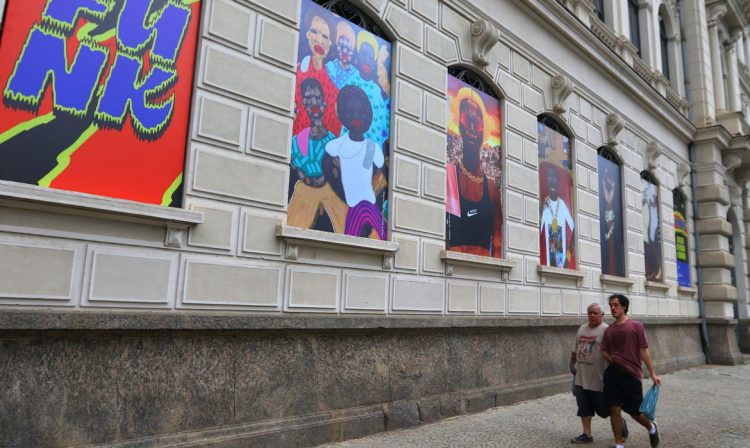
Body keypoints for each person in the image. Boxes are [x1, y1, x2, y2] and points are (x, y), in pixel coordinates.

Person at [445, 87, 503, 257]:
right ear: (459, 124)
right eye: (466, 119)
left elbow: (498, 241)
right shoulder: (450, 177)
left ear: (483, 129)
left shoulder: (492, 188)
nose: (471, 128)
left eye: (476, 123)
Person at [287, 78, 348, 233]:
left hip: (330, 189)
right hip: (306, 190)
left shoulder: (334, 141)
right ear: (304, 105)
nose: (313, 103)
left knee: (348, 227)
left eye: (317, 98)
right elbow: (298, 169)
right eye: (308, 98)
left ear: (324, 103)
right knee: (293, 223)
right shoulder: (297, 141)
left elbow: (338, 174)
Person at [325, 84, 385, 239]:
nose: (356, 116)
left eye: (360, 111)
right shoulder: (336, 146)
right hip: (353, 207)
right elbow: (328, 169)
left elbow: (382, 173)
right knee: (349, 241)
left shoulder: (371, 148)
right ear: (343, 113)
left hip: (370, 206)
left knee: (381, 238)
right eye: (351, 110)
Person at [601, 294, 662, 448]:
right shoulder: (609, 330)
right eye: (610, 305)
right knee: (614, 408)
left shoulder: (636, 326)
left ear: (624, 307)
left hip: (631, 374)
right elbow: (604, 351)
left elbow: (644, 351)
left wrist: (653, 373)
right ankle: (619, 444)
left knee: (634, 411)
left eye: (615, 305)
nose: (612, 308)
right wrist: (612, 359)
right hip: (613, 373)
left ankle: (651, 427)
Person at [569, 303, 628, 444]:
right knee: (584, 408)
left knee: (606, 410)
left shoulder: (608, 330)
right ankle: (587, 434)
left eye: (595, 313)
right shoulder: (582, 328)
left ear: (602, 315)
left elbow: (616, 354)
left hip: (600, 379)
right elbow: (575, 349)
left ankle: (621, 425)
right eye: (590, 313)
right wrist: (571, 364)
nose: (592, 315)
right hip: (581, 377)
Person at [293, 9, 341, 137]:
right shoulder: (296, 73)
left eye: (325, 36)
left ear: (330, 43)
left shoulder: (334, 87)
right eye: (314, 32)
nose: (319, 40)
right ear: (308, 35)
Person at [540, 165, 575, 267]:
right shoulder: (545, 204)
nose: (551, 181)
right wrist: (541, 210)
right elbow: (537, 232)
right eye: (549, 178)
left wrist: (568, 258)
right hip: (548, 265)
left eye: (554, 178)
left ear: (557, 182)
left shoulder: (562, 204)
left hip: (562, 264)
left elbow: (574, 230)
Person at [642, 181, 662, 281]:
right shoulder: (646, 186)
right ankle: (654, 269)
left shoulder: (651, 187)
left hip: (651, 218)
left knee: (651, 241)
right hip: (645, 215)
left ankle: (657, 269)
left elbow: (654, 203)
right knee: (647, 243)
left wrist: (648, 201)